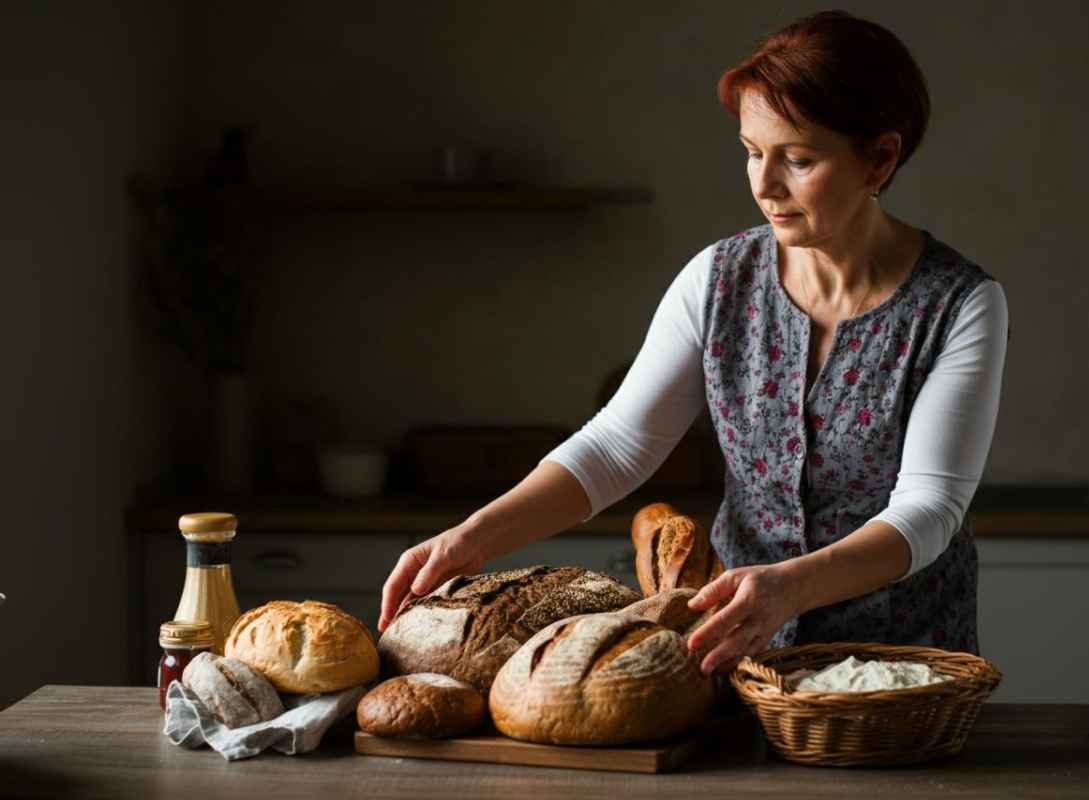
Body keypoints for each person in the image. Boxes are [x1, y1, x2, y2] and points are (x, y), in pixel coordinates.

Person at [378, 10, 1008, 676]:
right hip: (742, 660)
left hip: (901, 674)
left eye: (797, 159)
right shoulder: (718, 280)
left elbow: (929, 509)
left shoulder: (959, 304)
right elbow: (617, 447)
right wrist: (473, 537)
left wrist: (792, 583)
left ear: (880, 156)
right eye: (751, 151)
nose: (764, 186)